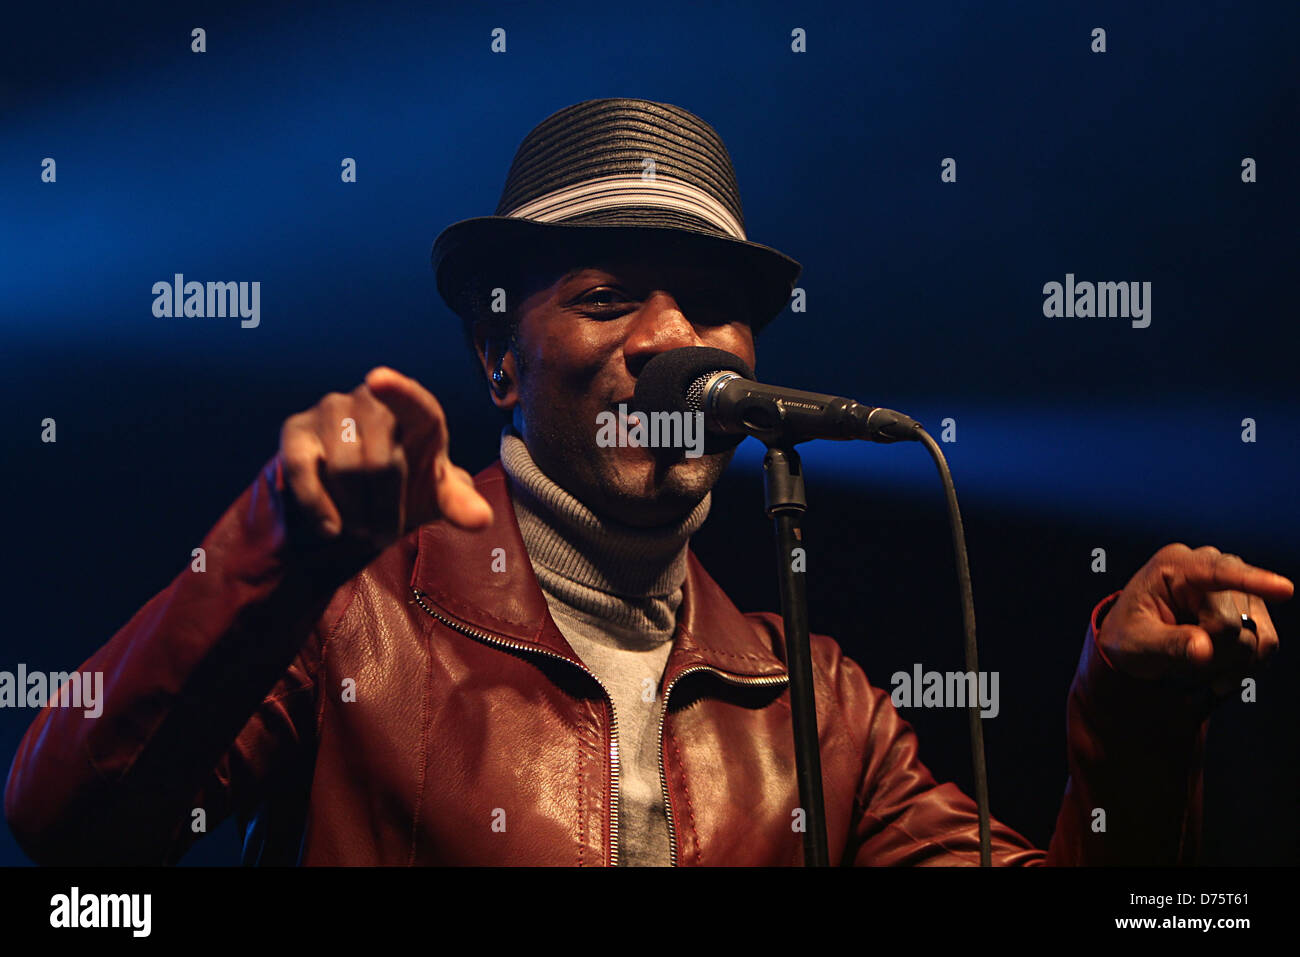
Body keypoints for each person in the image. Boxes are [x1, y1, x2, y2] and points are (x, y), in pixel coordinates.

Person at [5, 98, 1290, 866]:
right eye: (609, 297)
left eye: (714, 308)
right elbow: (68, 834)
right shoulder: (355, 617)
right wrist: (277, 545)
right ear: (501, 362)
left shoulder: (815, 703)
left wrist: (1130, 723)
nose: (669, 341)